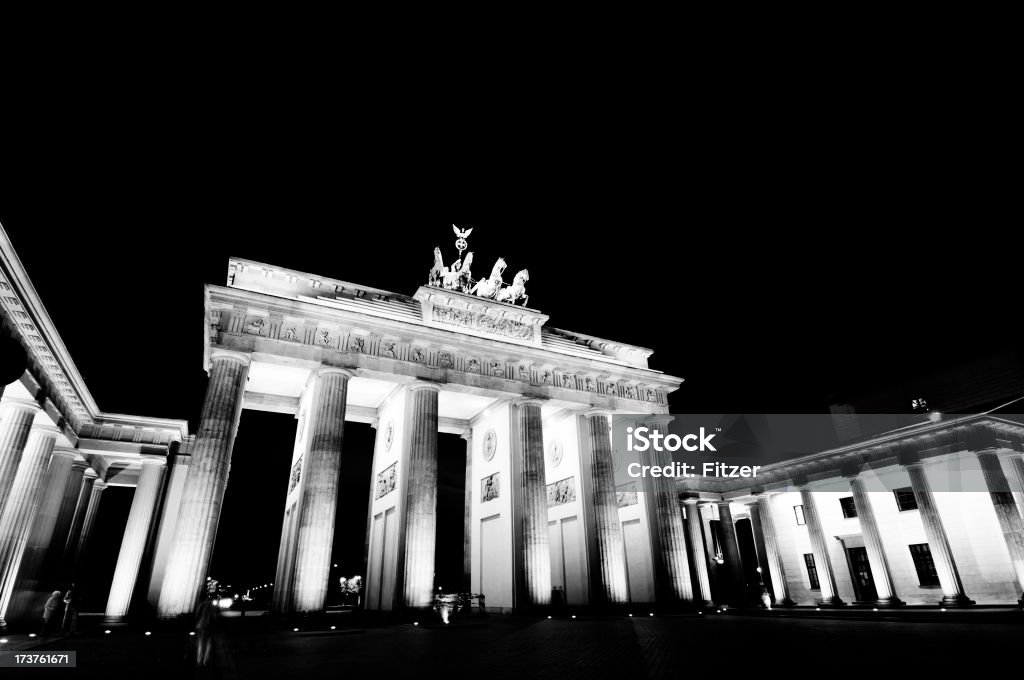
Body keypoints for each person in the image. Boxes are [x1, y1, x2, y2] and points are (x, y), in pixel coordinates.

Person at [194, 596, 219, 667]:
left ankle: (199, 661)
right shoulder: (213, 606)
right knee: (209, 643)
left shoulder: (202, 605)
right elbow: (215, 616)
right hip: (209, 627)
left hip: (201, 625)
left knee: (201, 643)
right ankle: (206, 661)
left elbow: (197, 615)